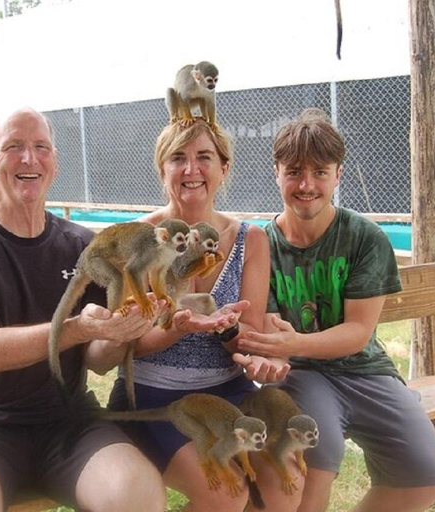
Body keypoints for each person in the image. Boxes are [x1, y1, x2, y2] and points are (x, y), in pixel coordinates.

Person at [0, 107, 167, 512]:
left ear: (53, 161)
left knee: (137, 493)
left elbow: (97, 360)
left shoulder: (82, 245)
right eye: (13, 147)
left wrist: (120, 331)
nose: (29, 159)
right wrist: (77, 329)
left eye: (41, 148)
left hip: (68, 420)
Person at [238, 108, 435, 512]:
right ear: (276, 172)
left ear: (338, 175)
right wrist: (273, 352)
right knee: (319, 454)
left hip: (363, 368)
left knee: (425, 472)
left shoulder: (363, 238)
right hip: (301, 373)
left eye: (320, 172)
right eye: (295, 171)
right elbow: (265, 326)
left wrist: (292, 340)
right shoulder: (261, 243)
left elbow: (357, 333)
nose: (306, 184)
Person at [107, 119, 295, 512]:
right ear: (163, 170)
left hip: (228, 392)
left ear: (224, 168)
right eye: (178, 158)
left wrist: (241, 339)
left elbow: (250, 330)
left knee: (284, 481)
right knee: (224, 494)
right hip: (152, 395)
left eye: (204, 157)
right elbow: (131, 345)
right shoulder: (140, 238)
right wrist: (178, 328)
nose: (191, 170)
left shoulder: (251, 240)